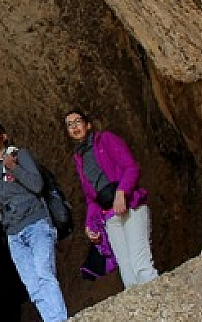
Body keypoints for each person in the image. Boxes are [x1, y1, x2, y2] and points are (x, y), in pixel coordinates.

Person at [0, 118, 69, 322]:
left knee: (44, 273)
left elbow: (37, 185)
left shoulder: (20, 155)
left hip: (36, 222)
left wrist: (14, 168)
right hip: (13, 232)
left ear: (4, 136)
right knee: (32, 284)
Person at [66, 108, 158, 288]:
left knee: (140, 264)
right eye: (70, 125)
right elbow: (91, 198)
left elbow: (131, 168)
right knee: (126, 269)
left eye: (77, 122)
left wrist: (121, 193)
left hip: (130, 205)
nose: (74, 127)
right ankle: (141, 306)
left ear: (88, 125)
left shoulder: (105, 140)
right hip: (109, 215)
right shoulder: (79, 158)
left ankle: (159, 302)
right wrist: (89, 224)